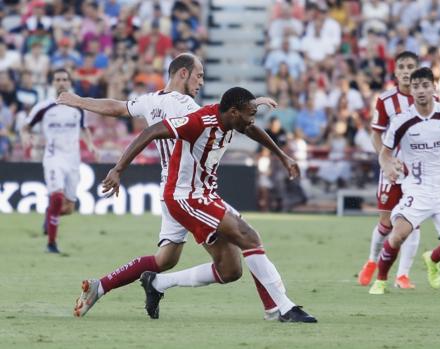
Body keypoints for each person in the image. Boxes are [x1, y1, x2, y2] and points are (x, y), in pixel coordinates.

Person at [59, 54, 281, 320]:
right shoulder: (186, 104)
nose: (201, 81)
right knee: (233, 261)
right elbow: (222, 115)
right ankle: (276, 308)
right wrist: (253, 104)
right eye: (198, 75)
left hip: (169, 190)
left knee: (165, 259)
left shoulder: (150, 101)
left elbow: (116, 107)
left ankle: (101, 286)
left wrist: (77, 101)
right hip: (189, 192)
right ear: (183, 74)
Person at [100, 86, 317, 323]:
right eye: (250, 114)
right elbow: (151, 131)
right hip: (184, 197)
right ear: (234, 112)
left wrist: (282, 156)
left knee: (231, 270)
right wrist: (118, 169)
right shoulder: (198, 123)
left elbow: (252, 129)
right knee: (249, 237)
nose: (252, 120)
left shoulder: (234, 120)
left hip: (205, 195)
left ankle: (158, 283)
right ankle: (283, 308)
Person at [368, 67, 440, 294]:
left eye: (425, 85)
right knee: (398, 234)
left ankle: (433, 259)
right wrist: (388, 166)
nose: (420, 90)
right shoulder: (402, 121)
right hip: (417, 189)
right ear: (411, 91)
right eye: (416, 86)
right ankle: (381, 280)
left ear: (434, 88)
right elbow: (385, 152)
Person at [358, 51, 422, 290]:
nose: (406, 71)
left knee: (413, 221)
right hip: (391, 167)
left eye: (410, 67)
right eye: (402, 67)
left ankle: (402, 275)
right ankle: (372, 261)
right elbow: (376, 132)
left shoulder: (428, 99)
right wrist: (384, 160)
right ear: (395, 72)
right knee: (386, 221)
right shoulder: (386, 100)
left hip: (417, 171)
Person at [21, 68, 96, 254]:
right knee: (56, 197)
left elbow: (84, 129)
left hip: (73, 160)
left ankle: (50, 215)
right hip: (53, 157)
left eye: (64, 79)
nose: (61, 82)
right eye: (57, 80)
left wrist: (91, 145)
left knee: (69, 208)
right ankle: (51, 243)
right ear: (52, 84)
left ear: (70, 83)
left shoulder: (79, 107)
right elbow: (25, 127)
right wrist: (26, 137)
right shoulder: (44, 107)